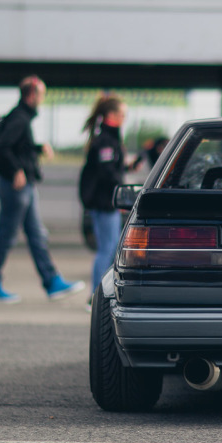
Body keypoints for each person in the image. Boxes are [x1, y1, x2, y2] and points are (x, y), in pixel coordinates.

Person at [0, 75, 84, 304]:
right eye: (41, 94)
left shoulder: (20, 117)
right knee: (6, 237)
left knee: (37, 235)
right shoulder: (19, 118)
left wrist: (37, 148)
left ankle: (52, 282)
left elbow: (17, 147)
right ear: (32, 95)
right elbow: (2, 147)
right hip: (15, 187)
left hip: (23, 186)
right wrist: (16, 170)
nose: (42, 99)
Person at [80, 94, 129, 302]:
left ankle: (101, 295)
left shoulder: (109, 139)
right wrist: (125, 191)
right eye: (121, 114)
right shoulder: (105, 141)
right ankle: (95, 296)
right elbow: (107, 172)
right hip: (103, 204)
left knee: (111, 249)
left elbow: (111, 169)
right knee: (106, 250)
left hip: (107, 203)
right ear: (111, 115)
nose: (124, 118)